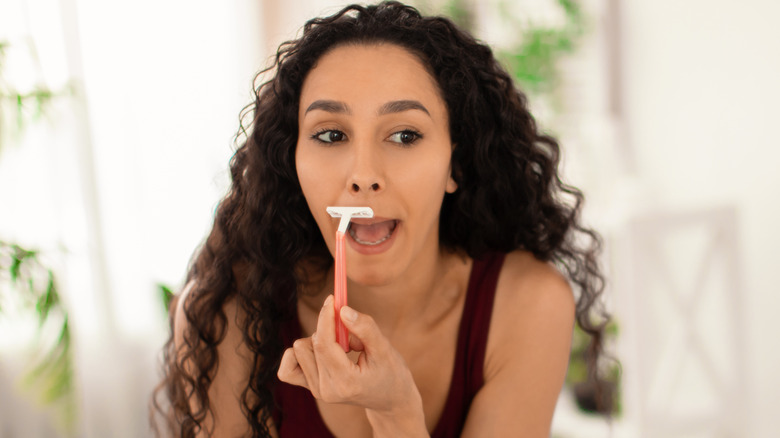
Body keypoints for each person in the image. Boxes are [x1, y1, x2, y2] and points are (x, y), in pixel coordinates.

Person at [152, 1, 608, 437]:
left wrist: (394, 414)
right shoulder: (228, 314)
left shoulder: (526, 305)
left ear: (457, 164)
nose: (364, 175)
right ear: (290, 161)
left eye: (405, 135)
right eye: (330, 134)